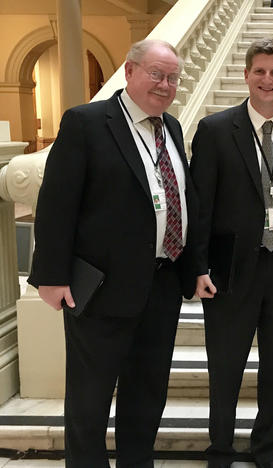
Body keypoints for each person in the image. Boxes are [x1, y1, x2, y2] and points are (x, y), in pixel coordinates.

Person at [28, 39, 197, 467]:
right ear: (129, 71)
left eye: (172, 78)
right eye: (156, 74)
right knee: (90, 398)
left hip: (161, 285)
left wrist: (193, 267)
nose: (165, 84)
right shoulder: (87, 123)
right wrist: (51, 275)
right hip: (101, 288)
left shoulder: (172, 128)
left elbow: (179, 199)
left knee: (147, 393)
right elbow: (56, 203)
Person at [189, 37, 273, 468]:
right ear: (246, 75)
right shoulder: (215, 129)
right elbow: (200, 205)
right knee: (225, 366)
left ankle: (268, 447)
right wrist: (198, 265)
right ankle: (220, 448)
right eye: (259, 71)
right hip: (230, 267)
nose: (267, 80)